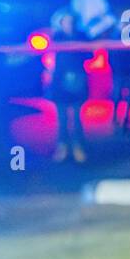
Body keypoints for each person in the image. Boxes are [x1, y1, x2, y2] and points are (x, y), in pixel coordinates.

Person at [46, 10, 91, 164]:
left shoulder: (82, 36)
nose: (68, 24)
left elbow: (90, 55)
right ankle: (62, 147)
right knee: (63, 118)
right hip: (60, 82)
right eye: (65, 21)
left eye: (71, 21)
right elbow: (50, 56)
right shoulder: (56, 37)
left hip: (78, 80)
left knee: (77, 118)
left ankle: (78, 147)